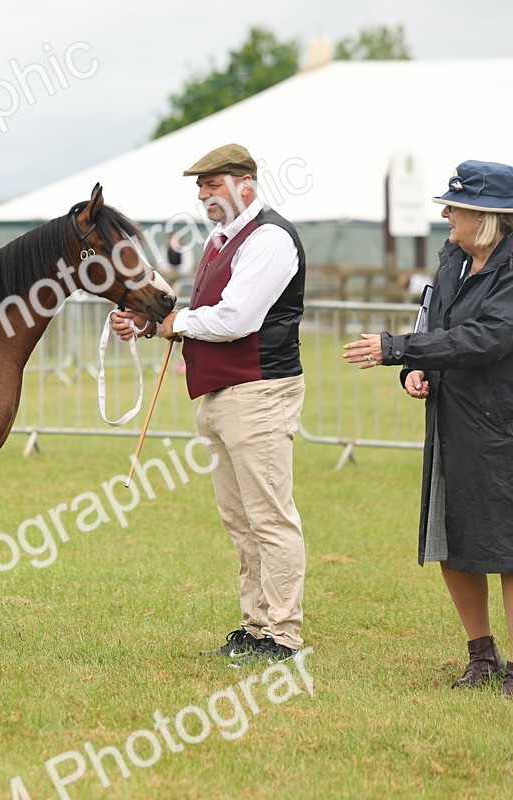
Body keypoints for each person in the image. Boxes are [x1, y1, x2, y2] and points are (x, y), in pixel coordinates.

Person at [112, 143, 307, 665]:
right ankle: (256, 625)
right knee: (240, 521)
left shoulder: (268, 238)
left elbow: (235, 318)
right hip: (222, 394)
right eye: (200, 187)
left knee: (269, 518)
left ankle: (283, 636)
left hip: (259, 391)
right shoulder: (223, 240)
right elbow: (201, 316)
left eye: (213, 184)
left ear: (246, 182)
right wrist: (148, 324)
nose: (204, 196)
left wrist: (172, 323)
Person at [343, 160, 513, 695]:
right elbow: (432, 327)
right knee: (453, 539)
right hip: (451, 422)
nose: (444, 213)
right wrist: (416, 369)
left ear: (486, 217)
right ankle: (482, 658)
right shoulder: (451, 261)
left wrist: (398, 350)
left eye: (455, 207)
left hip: (501, 427)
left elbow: (486, 339)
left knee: (507, 550)